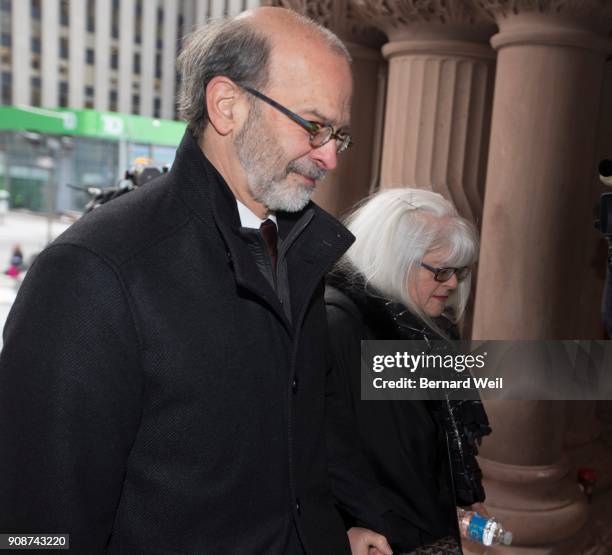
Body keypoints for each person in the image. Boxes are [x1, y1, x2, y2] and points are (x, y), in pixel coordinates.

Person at [0, 8, 402, 554]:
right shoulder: (95, 271)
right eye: (313, 125)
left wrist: (330, 533)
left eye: (338, 134)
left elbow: (301, 446)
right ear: (227, 105)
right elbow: (34, 529)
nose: (329, 155)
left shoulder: (301, 251)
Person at [325, 188, 492, 553]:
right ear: (395, 260)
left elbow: (431, 450)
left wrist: (460, 504)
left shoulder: (429, 330)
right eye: (441, 271)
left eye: (458, 272)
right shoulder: (338, 325)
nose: (452, 284)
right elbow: (324, 451)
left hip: (427, 531)